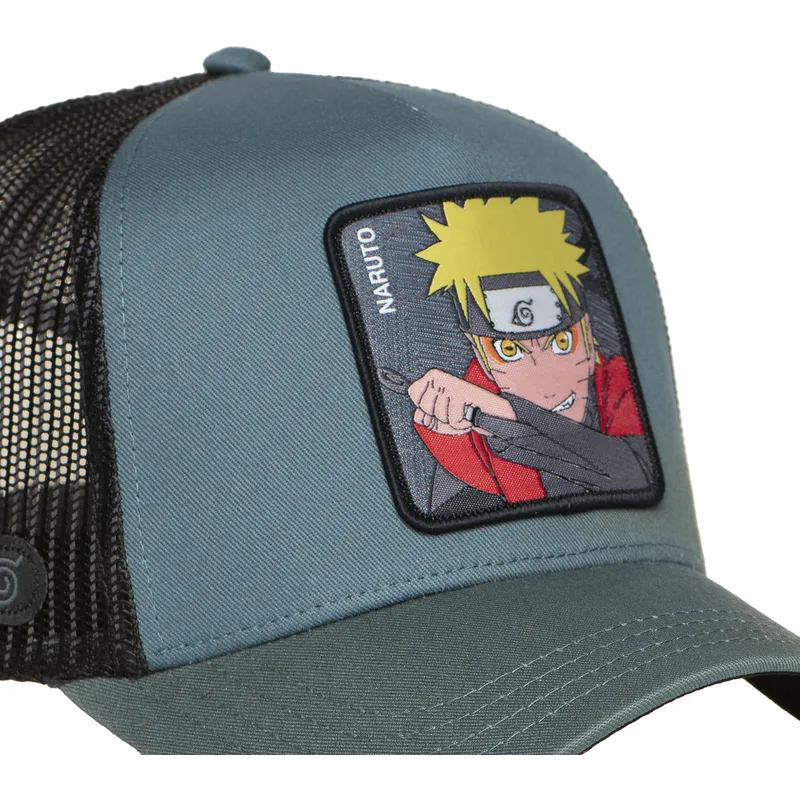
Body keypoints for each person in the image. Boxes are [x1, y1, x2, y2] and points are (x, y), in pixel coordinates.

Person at [407, 195, 653, 508]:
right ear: (481, 355)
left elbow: (636, 474)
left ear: (587, 333)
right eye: (510, 350)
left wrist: (513, 419)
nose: (548, 388)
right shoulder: (464, 445)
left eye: (562, 343)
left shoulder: (625, 390)